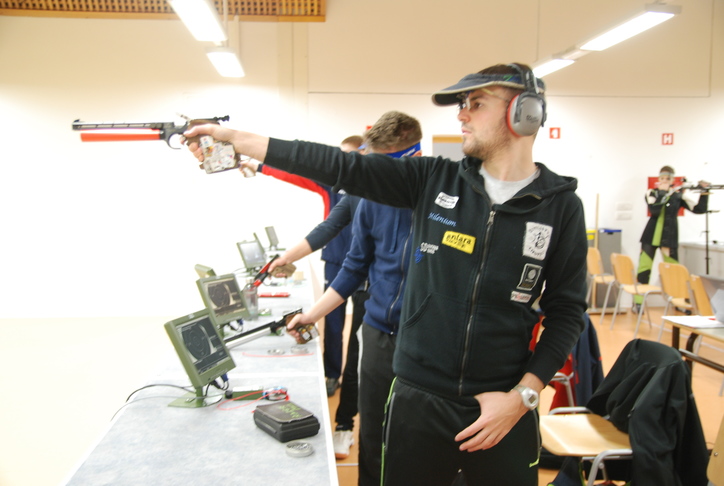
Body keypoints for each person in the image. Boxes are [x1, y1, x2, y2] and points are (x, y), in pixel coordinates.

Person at [183, 63, 588, 486]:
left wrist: (523, 396)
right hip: (418, 398)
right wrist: (236, 139)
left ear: (525, 113)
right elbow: (341, 167)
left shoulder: (560, 207)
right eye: (462, 104)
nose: (462, 114)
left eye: (476, 103)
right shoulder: (433, 179)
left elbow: (567, 313)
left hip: (502, 404)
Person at [280, 111, 421, 482]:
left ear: (412, 157)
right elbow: (352, 261)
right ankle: (346, 425)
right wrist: (312, 314)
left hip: (425, 337)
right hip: (379, 325)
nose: (374, 175)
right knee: (372, 435)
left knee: (414, 439)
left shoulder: (441, 196)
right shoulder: (367, 194)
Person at [243, 135, 364, 396]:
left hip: (368, 267)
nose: (342, 161)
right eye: (340, 155)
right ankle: (332, 374)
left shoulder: (374, 188)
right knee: (333, 323)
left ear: (362, 155)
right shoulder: (333, 183)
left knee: (361, 330)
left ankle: (355, 384)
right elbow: (295, 173)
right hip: (336, 259)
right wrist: (259, 166)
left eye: (349, 155)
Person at [266, 192, 368, 460]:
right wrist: (286, 258)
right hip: (369, 289)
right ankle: (345, 426)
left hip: (406, 294)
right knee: (357, 359)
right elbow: (329, 227)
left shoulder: (407, 184)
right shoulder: (357, 191)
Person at [636, 165, 710, 305]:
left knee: (674, 271)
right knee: (644, 269)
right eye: (662, 178)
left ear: (672, 180)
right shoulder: (651, 193)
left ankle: (679, 302)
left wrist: (704, 191)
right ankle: (638, 303)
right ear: (658, 179)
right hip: (650, 237)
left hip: (669, 238)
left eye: (668, 178)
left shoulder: (678, 195)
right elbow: (654, 210)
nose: (665, 181)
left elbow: (699, 209)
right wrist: (662, 193)